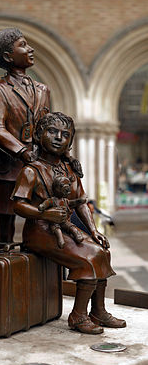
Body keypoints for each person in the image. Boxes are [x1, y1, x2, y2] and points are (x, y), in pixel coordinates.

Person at [12, 112, 126, 334]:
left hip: (63, 228)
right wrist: (44, 215)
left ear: (70, 141)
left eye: (65, 134)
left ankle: (98, 310)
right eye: (52, 131)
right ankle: (78, 315)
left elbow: (81, 203)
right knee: (91, 257)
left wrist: (94, 231)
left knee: (102, 249)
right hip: (40, 232)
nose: (58, 138)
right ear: (38, 134)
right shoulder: (31, 170)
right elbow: (18, 205)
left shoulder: (69, 169)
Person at [0, 28, 51, 248]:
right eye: (23, 45)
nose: (30, 49)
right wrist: (23, 151)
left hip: (39, 169)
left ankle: (35, 257)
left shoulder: (43, 90)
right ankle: (4, 261)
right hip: (9, 167)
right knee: (6, 228)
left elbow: (49, 127)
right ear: (7, 56)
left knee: (41, 219)